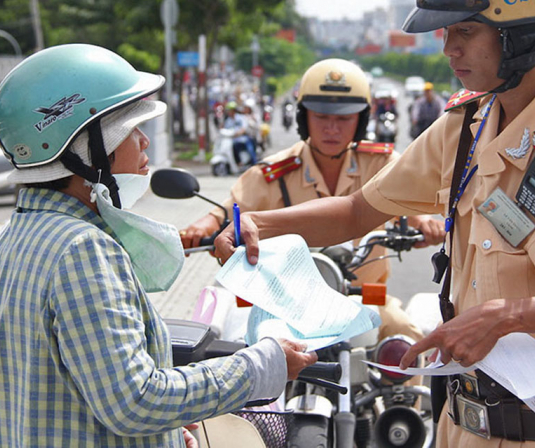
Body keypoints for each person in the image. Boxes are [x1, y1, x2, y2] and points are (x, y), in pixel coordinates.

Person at [213, 0, 535, 446]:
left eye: (465, 30)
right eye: (447, 32)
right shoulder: (467, 124)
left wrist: (509, 315)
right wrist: (256, 223)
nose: (448, 48)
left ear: (520, 33)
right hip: (458, 424)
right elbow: (358, 211)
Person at [0, 44, 317, 447]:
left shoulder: (17, 237)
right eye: (132, 130)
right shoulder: (82, 251)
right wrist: (260, 365)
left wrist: (165, 431)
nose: (144, 142)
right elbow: (135, 401)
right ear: (88, 148)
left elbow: (66, 387)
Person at [181, 58, 446, 364]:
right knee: (247, 356)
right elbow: (230, 213)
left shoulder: (382, 164)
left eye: (344, 119)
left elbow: (407, 201)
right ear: (303, 118)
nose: (332, 128)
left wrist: (426, 222)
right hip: (284, 304)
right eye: (321, 117)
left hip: (363, 296)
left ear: (360, 120)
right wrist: (203, 224)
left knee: (407, 341)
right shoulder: (274, 172)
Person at [222, 100, 257, 165]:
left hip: (244, 138)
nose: (229, 112)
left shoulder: (241, 118)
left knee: (249, 147)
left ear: (233, 110)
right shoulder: (228, 121)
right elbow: (225, 130)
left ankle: (254, 162)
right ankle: (238, 163)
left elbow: (244, 128)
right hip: (234, 140)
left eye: (230, 110)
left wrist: (239, 133)